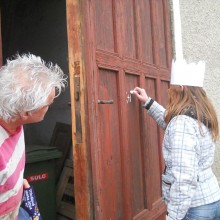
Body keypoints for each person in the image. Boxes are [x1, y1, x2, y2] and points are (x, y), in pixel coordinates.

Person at [132, 59, 220, 220]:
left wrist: (173, 217)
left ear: (181, 89)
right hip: (211, 200)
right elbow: (172, 124)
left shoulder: (183, 124)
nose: (168, 92)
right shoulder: (198, 115)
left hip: (194, 208)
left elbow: (184, 178)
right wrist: (149, 103)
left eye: (171, 89)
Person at [0, 53, 67, 219]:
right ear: (26, 112)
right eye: (47, 104)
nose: (50, 106)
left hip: (17, 205)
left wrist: (14, 184)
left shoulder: (12, 116)